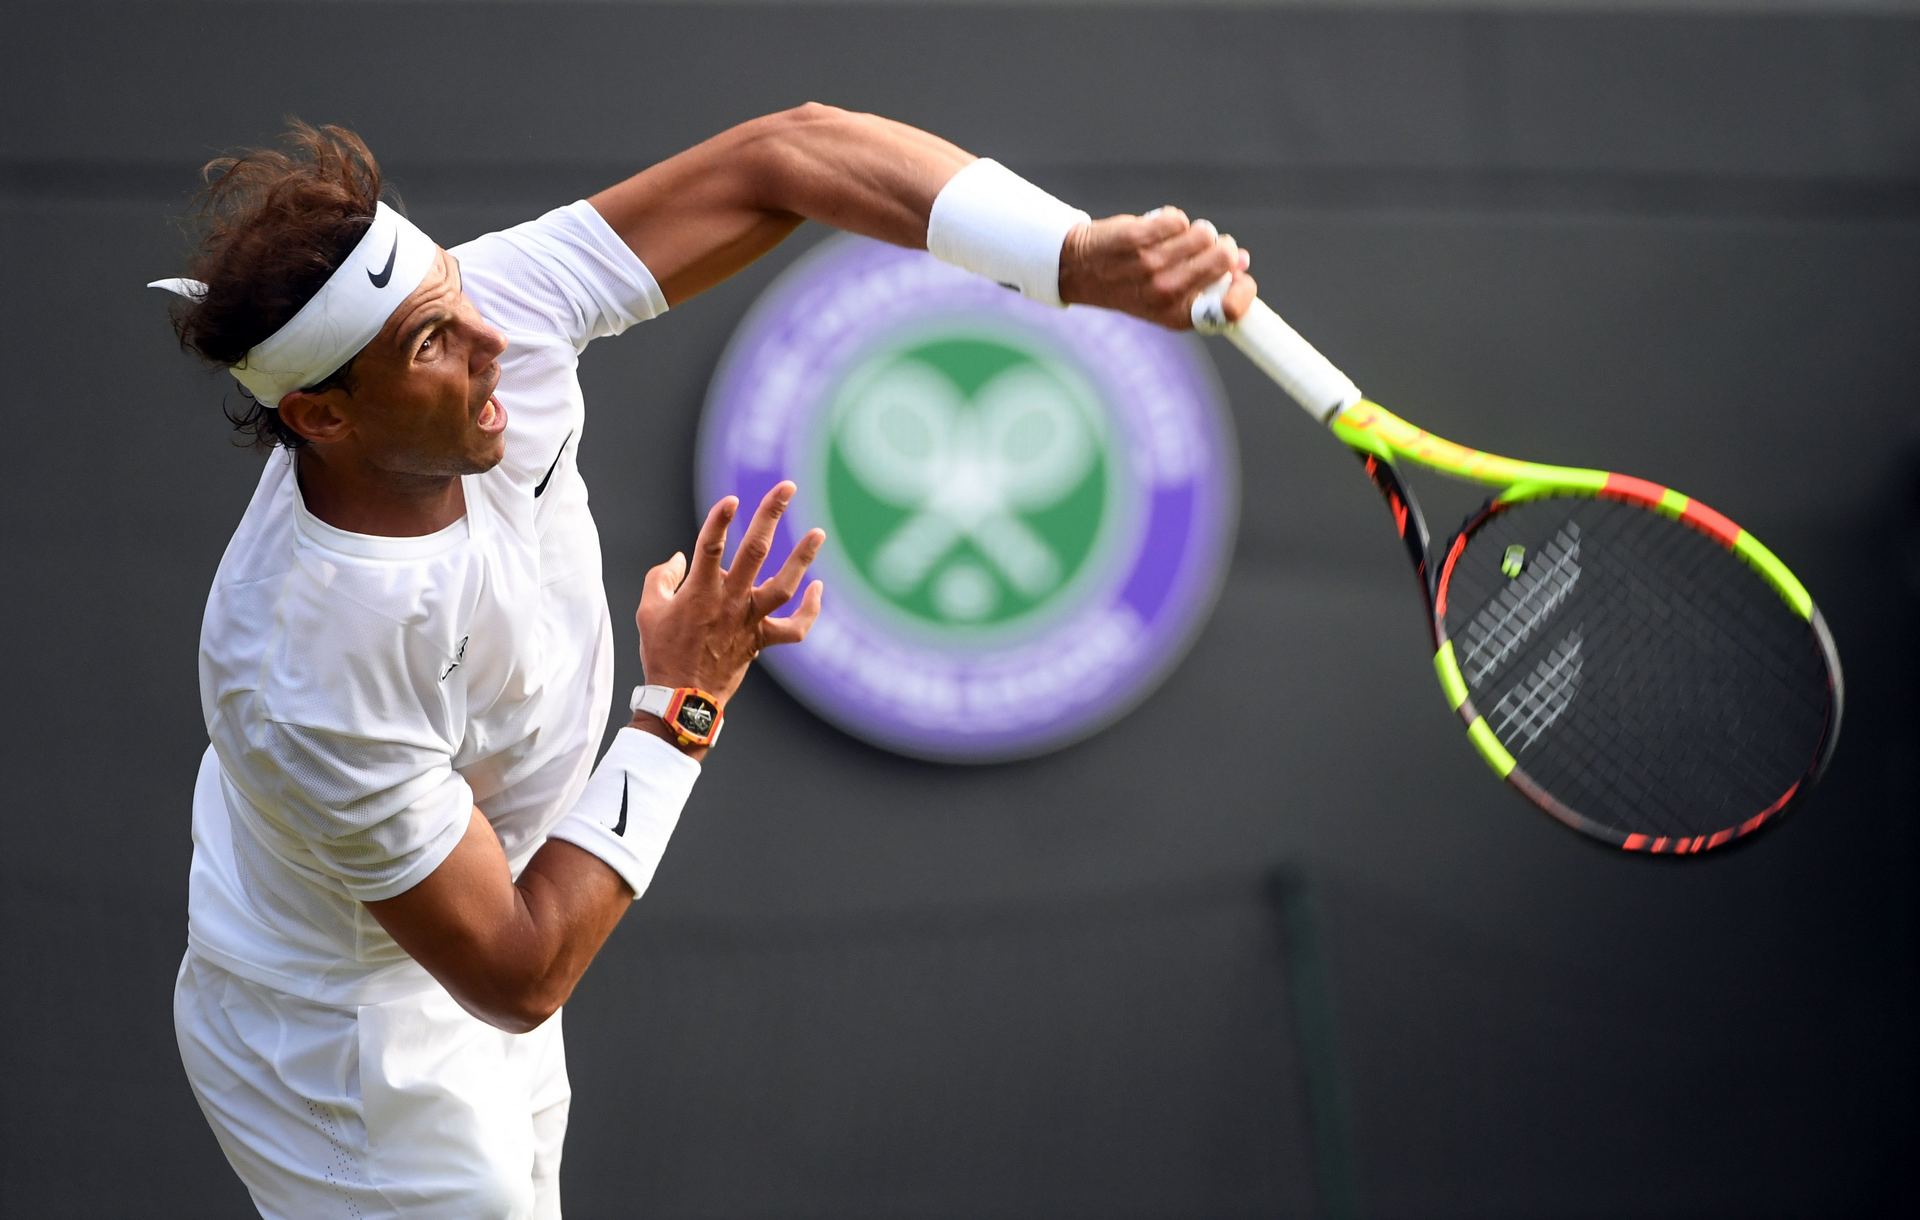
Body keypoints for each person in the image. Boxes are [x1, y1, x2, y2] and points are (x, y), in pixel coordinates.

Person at [155, 104, 1257, 1218]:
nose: (491, 338)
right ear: (322, 415)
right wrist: (684, 698)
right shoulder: (305, 665)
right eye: (430, 343)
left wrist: (1068, 257)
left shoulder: (491, 316)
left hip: (485, 900)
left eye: (455, 296)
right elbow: (517, 970)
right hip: (342, 1042)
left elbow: (790, 153)